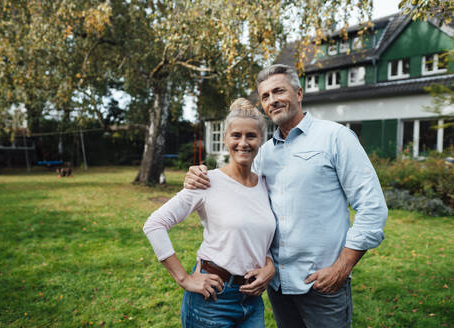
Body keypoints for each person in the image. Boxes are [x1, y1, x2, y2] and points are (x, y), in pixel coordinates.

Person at [184, 64, 388, 328]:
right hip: (277, 286)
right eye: (265, 96)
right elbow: (244, 203)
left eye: (279, 91)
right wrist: (201, 176)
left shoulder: (335, 138)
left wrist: (343, 267)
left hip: (323, 284)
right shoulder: (263, 154)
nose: (272, 100)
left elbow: (372, 207)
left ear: (299, 93)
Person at [143, 98, 277, 327]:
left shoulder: (266, 184)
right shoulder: (206, 181)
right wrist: (184, 278)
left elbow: (257, 235)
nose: (243, 143)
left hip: (252, 301)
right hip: (213, 299)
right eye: (236, 135)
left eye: (251, 136)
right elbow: (154, 224)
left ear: (261, 140)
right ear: (225, 138)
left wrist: (270, 266)